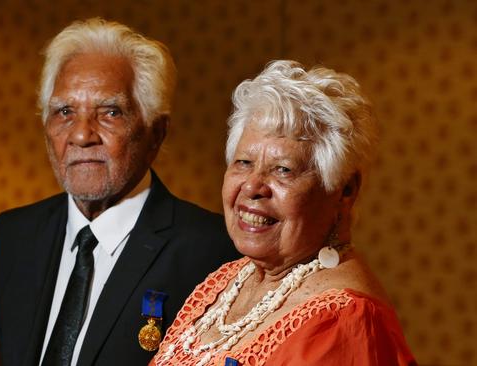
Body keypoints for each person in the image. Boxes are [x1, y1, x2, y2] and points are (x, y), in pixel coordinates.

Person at [0, 18, 238, 366]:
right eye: (64, 112)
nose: (81, 135)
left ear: (156, 132)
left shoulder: (212, 251)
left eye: (110, 112)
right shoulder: (13, 236)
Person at [151, 61, 417, 365]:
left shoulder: (345, 321)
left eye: (283, 170)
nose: (253, 186)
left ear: (345, 190)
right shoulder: (225, 282)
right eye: (244, 163)